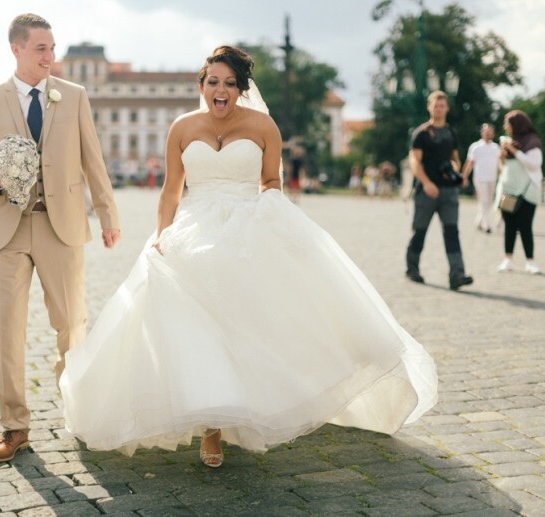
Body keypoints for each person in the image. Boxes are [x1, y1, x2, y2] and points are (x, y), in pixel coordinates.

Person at [59, 46, 437, 468]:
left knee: (247, 322)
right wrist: (160, 235)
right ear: (202, 86)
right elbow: (171, 190)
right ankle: (211, 426)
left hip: (248, 225)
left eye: (230, 83)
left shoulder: (263, 126)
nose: (221, 90)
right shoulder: (182, 128)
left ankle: (256, 402)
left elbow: (271, 181)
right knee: (194, 319)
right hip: (194, 227)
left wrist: (266, 222)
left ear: (241, 89)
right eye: (213, 82)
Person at [0, 13, 121, 463]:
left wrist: (107, 213)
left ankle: (80, 411)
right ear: (16, 49)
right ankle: (14, 428)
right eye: (40, 49)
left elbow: (94, 159)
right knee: (7, 332)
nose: (50, 56)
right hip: (6, 230)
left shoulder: (73, 96)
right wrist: (1, 179)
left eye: (52, 48)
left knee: (72, 325)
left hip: (61, 225)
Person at [405, 90, 473, 291]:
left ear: (447, 109)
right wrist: (426, 182)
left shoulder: (451, 132)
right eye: (436, 105)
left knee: (452, 232)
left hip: (449, 193)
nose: (439, 109)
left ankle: (457, 275)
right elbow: (414, 162)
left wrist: (455, 170)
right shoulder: (421, 134)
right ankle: (412, 268)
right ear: (429, 107)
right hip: (426, 192)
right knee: (420, 231)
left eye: (442, 106)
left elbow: (455, 159)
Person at [496, 110, 543, 274]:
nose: (504, 127)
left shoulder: (532, 142)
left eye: (507, 123)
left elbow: (533, 164)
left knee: (525, 226)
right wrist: (502, 156)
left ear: (517, 125)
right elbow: (503, 169)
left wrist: (514, 151)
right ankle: (507, 259)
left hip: (527, 192)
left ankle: (530, 261)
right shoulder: (512, 142)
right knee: (509, 226)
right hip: (508, 191)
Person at [462, 123, 501, 233]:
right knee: (483, 200)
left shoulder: (496, 147)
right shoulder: (475, 147)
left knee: (488, 202)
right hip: (480, 178)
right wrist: (464, 177)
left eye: (490, 132)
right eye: (486, 132)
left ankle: (479, 221)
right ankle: (486, 225)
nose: (488, 134)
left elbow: (499, 164)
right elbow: (469, 163)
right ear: (482, 133)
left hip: (492, 178)